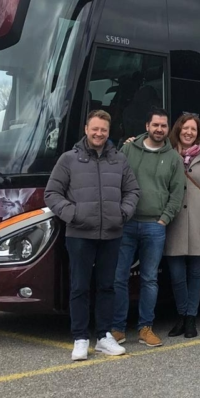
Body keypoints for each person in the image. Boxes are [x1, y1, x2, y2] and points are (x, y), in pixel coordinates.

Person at [45, 110, 140, 361]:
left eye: (104, 130)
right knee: (79, 287)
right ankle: (80, 338)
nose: (99, 134)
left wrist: (122, 213)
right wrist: (73, 214)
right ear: (86, 128)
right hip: (79, 234)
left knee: (107, 286)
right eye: (95, 129)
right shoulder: (68, 160)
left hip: (112, 233)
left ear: (109, 132)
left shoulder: (119, 160)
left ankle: (104, 336)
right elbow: (52, 193)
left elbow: (132, 191)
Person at [113, 107, 185, 348]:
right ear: (147, 126)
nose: (159, 129)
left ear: (167, 129)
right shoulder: (128, 149)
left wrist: (164, 219)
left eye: (164, 126)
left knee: (149, 279)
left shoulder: (173, 157)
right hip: (127, 224)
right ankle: (117, 329)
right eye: (155, 125)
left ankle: (145, 328)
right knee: (119, 277)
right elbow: (116, 181)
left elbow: (177, 193)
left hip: (155, 226)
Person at [163, 114, 200, 339]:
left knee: (196, 273)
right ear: (178, 130)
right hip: (174, 221)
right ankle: (181, 315)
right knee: (177, 275)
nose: (189, 132)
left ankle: (191, 319)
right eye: (185, 128)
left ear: (198, 133)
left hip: (199, 221)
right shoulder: (167, 154)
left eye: (193, 130)